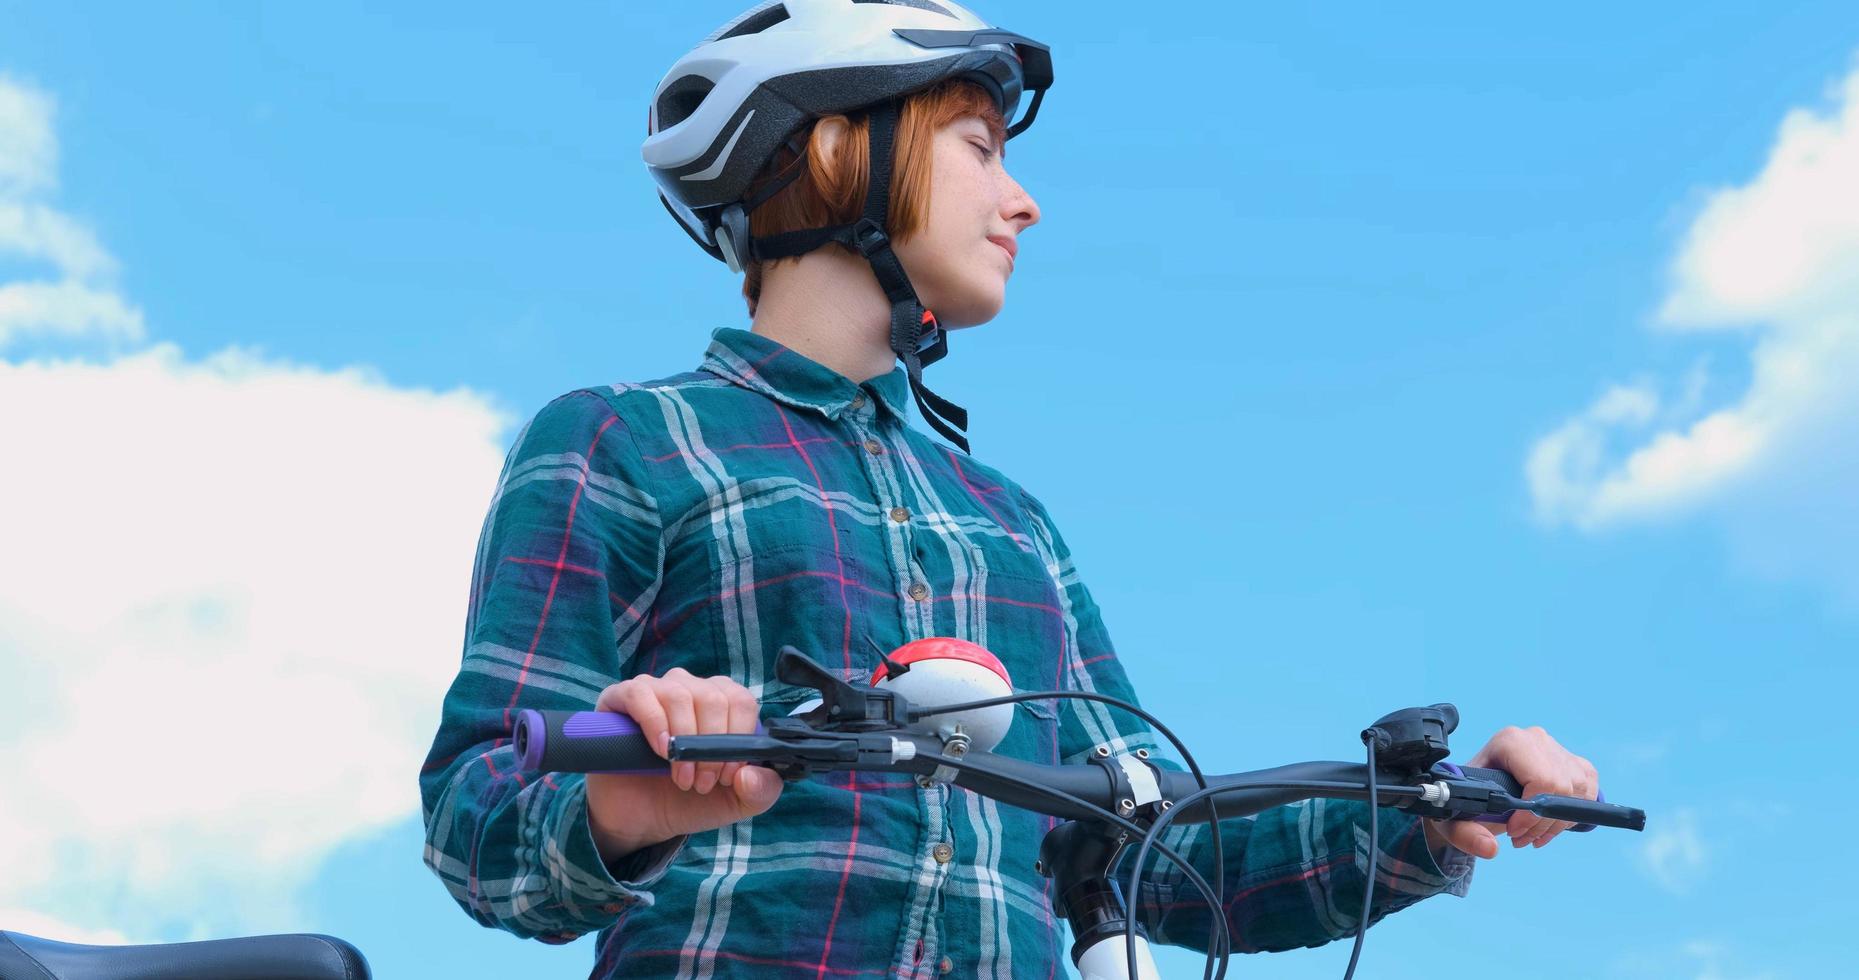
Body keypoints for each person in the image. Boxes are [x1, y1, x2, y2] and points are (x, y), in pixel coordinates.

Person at [418, 1, 1603, 976]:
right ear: (836, 148)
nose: (1022, 199)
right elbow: (478, 819)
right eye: (980, 148)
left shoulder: (1012, 524)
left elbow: (1151, 845)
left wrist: (1426, 808)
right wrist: (631, 799)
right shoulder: (625, 438)